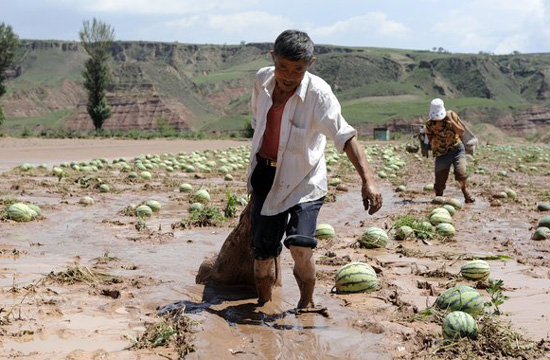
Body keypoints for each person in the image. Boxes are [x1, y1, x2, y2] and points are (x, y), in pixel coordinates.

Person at [247, 29, 382, 311]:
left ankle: (306, 304)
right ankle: (264, 306)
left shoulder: (319, 95)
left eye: (297, 70)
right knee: (262, 257)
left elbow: (346, 137)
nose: (287, 76)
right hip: (265, 174)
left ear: (311, 64)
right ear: (273, 58)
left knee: (300, 246)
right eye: (282, 67)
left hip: (303, 181)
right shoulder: (262, 80)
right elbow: (257, 119)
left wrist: (368, 180)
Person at [424, 98, 475, 203]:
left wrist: (451, 121)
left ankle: (465, 191)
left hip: (457, 149)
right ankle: (438, 198)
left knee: (461, 173)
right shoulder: (429, 124)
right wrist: (437, 145)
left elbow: (461, 132)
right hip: (441, 153)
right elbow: (429, 137)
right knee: (440, 180)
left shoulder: (452, 116)